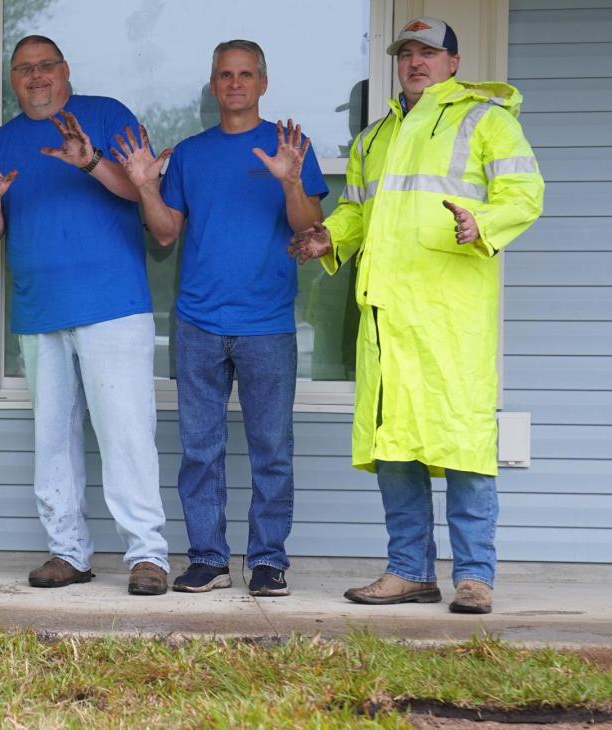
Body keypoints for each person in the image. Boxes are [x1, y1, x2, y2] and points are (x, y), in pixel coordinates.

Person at [288, 17, 544, 614]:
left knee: (464, 444)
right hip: (386, 318)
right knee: (395, 447)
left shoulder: (487, 121)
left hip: (452, 316)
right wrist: (329, 237)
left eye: (429, 52)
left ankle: (475, 576)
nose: (416, 62)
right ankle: (409, 570)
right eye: (407, 53)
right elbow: (359, 213)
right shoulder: (374, 138)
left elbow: (525, 195)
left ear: (454, 62)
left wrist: (482, 223)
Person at [115, 40, 328, 597]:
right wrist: (142, 185)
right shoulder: (190, 153)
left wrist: (288, 178)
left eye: (246, 74)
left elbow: (310, 225)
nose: (235, 83)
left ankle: (267, 562)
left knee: (272, 450)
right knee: (200, 450)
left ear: (263, 82)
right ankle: (208, 558)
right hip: (198, 324)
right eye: (225, 75)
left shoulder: (291, 147)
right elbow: (164, 232)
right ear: (214, 85)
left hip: (268, 323)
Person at [0, 35, 170, 596]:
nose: (35, 77)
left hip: (113, 305)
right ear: (13, 80)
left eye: (45, 65)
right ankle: (67, 551)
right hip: (39, 310)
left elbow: (144, 192)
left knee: (125, 433)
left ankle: (147, 555)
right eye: (23, 69)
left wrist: (93, 161)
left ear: (65, 69)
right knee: (53, 438)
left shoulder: (108, 116)